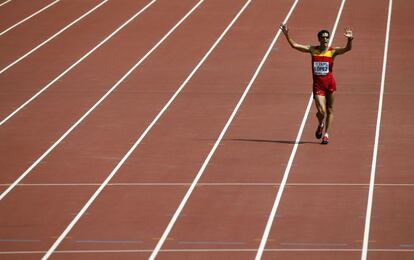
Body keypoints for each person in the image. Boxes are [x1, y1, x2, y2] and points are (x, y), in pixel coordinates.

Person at [279, 24, 353, 144]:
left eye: (327, 37)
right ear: (319, 39)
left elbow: (347, 49)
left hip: (330, 85)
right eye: (323, 37)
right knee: (322, 111)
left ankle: (326, 135)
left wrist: (349, 39)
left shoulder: (332, 51)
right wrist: (287, 35)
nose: (325, 39)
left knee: (330, 109)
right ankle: (320, 123)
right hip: (318, 86)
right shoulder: (312, 50)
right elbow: (295, 45)